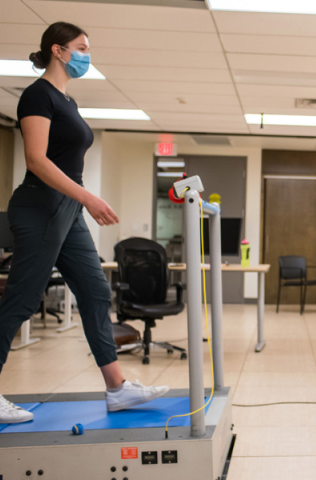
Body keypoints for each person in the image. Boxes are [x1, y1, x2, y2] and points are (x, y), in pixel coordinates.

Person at [0, 22, 168, 424]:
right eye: (81, 47)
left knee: (94, 293)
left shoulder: (67, 102)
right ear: (57, 50)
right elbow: (37, 161)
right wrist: (88, 197)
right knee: (22, 300)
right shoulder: (37, 95)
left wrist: (79, 202)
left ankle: (117, 389)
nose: (86, 55)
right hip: (41, 206)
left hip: (67, 210)